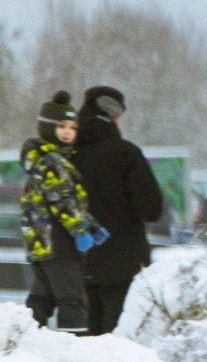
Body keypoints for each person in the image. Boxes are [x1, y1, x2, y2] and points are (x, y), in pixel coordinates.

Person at [69, 85, 166, 336]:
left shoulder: (66, 156)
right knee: (118, 349)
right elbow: (151, 209)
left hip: (75, 265)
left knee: (81, 350)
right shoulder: (126, 154)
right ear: (113, 115)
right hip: (123, 265)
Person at [18, 92, 103, 333]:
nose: (68, 132)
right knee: (72, 298)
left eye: (72, 127)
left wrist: (92, 225)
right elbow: (63, 202)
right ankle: (73, 347)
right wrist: (80, 230)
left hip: (41, 242)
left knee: (41, 298)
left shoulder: (40, 160)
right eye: (61, 126)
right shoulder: (53, 162)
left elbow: (63, 201)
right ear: (47, 127)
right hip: (59, 242)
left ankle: (26, 339)